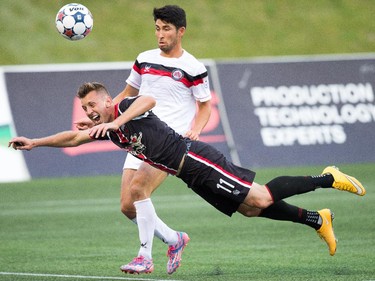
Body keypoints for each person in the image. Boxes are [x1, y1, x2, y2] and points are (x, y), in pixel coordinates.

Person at [10, 82, 366, 274]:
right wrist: (35, 143)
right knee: (251, 209)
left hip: (194, 159)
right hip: (187, 175)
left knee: (259, 197)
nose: (89, 112)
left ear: (106, 101)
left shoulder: (121, 110)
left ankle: (327, 177)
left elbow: (146, 98)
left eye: (93, 106)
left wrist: (115, 120)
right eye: (85, 109)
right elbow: (72, 137)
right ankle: (317, 218)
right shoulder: (108, 127)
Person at [75, 5, 212, 274]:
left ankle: (144, 256)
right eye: (157, 29)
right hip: (139, 133)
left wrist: (196, 129)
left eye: (166, 29)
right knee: (128, 206)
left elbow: (205, 105)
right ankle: (175, 239)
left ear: (181, 31)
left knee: (139, 189)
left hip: (166, 140)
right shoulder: (144, 59)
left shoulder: (193, 67)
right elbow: (128, 92)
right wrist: (99, 118)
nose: (160, 35)